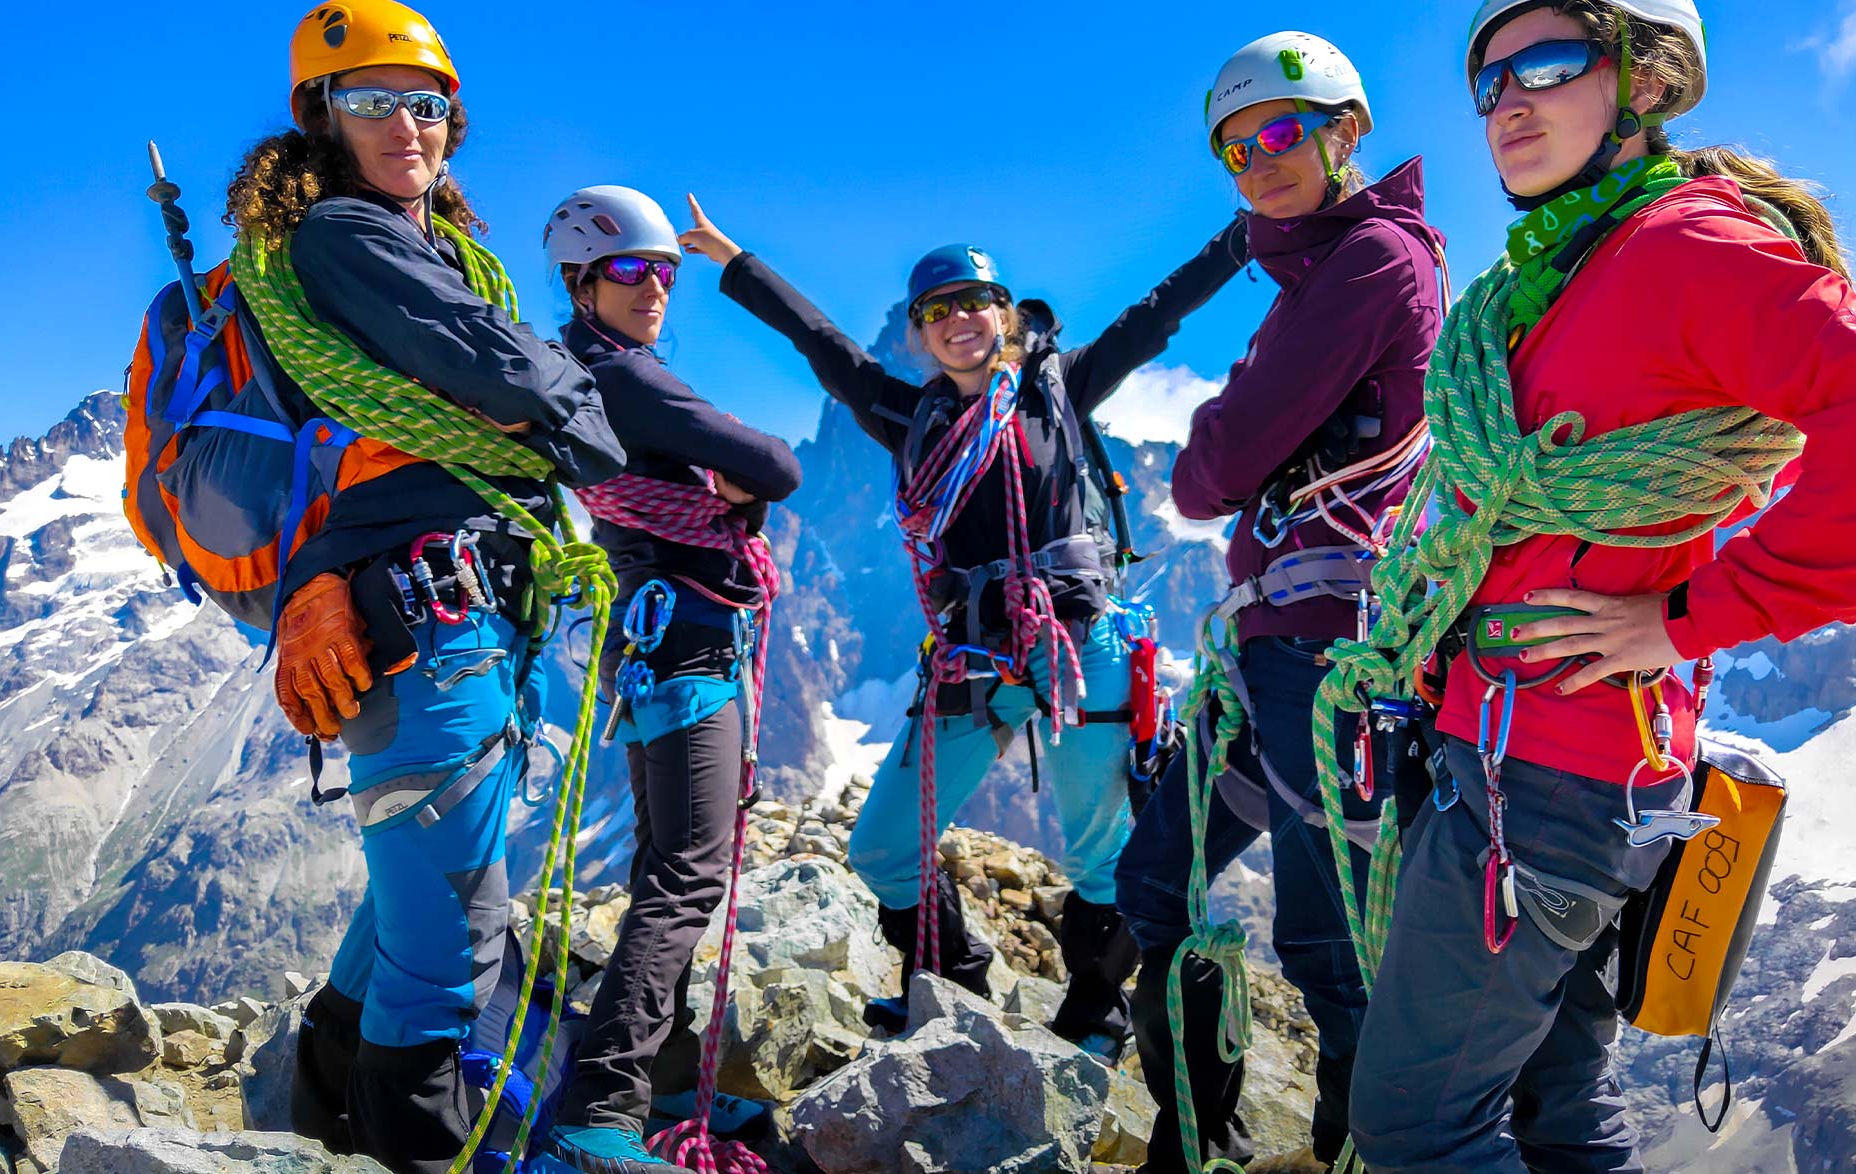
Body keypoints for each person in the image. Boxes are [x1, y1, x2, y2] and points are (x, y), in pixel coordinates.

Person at [1324, 3, 1856, 1170]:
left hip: (1544, 772)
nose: (1506, 99)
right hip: (1542, 754)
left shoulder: (1680, 244)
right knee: (1559, 1107)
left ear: (1645, 82)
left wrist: (1690, 616)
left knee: (1412, 1126)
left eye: (1546, 65)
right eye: (1486, 79)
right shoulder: (1562, 271)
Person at [676, 194, 1249, 1058]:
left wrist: (1247, 234)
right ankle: (952, 989)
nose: (957, 320)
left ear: (1004, 314)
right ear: (918, 334)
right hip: (975, 656)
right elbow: (822, 346)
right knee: (883, 849)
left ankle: (1093, 1010)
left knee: (1104, 859)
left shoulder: (1061, 394)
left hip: (1075, 644)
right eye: (935, 311)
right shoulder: (911, 419)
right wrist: (735, 263)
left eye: (973, 301)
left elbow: (1156, 314)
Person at [228, 5, 625, 1172]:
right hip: (428, 615)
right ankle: (432, 1149)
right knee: (452, 938)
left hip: (472, 604)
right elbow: (511, 373)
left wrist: (550, 403)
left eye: (426, 102)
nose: (406, 123)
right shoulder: (348, 236)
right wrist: (571, 413)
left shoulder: (432, 249)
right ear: (322, 118)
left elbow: (517, 380)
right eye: (370, 101)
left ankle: (319, 1117)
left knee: (417, 909)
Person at [1112, 31, 1448, 1173]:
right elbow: (1224, 460)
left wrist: (1227, 437)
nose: (1254, 161)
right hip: (1276, 657)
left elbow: (1208, 467)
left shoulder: (1370, 263)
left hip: (1324, 657)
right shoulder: (1319, 272)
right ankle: (1197, 1133)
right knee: (1152, 877)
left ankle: (1358, 1151)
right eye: (1233, 148)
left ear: (1344, 131)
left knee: (1330, 940)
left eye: (1277, 133)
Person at [537, 185, 800, 1174]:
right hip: (688, 645)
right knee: (688, 874)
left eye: (663, 272)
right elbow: (773, 463)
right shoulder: (627, 378)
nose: (653, 287)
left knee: (669, 867)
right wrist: (735, 483)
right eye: (630, 271)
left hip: (656, 645)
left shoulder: (587, 369)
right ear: (583, 280)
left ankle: (662, 1083)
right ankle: (600, 1103)